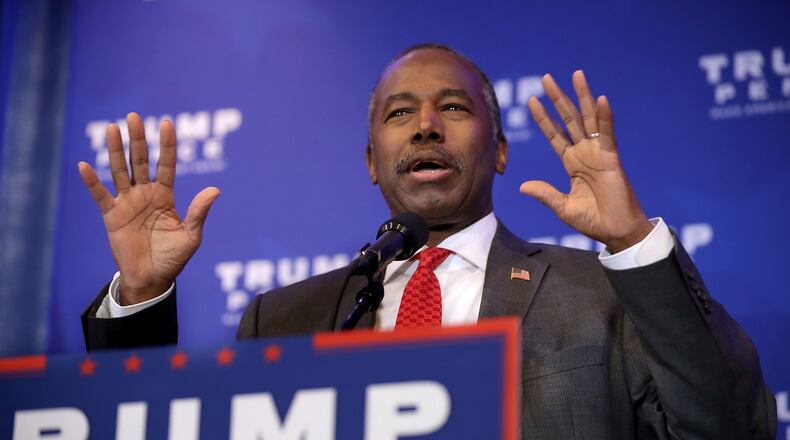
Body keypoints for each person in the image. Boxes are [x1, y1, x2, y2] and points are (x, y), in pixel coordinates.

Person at [78, 44, 776, 438]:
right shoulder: (281, 321)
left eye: (453, 108)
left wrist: (632, 244)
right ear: (371, 161)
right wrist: (140, 296)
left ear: (500, 150)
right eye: (399, 113)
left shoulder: (601, 292)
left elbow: (729, 428)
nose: (425, 128)